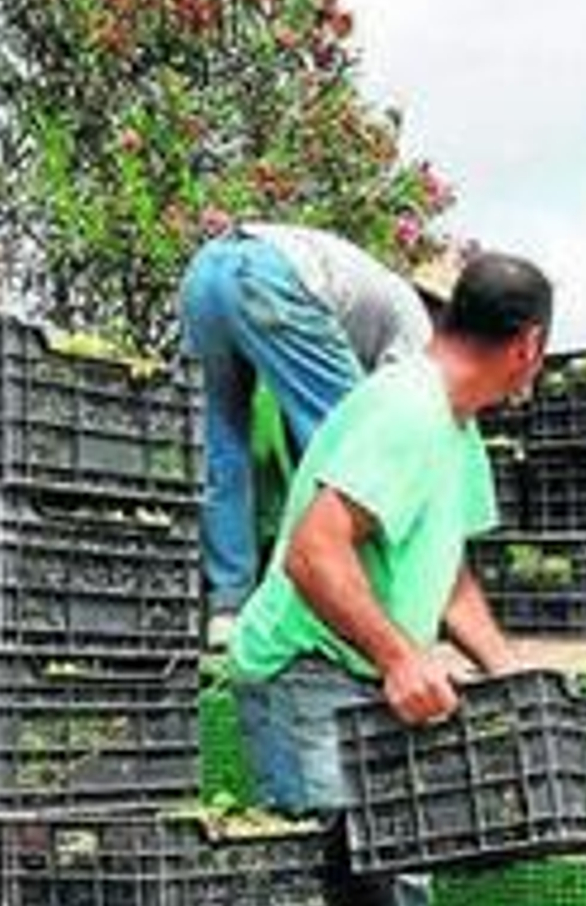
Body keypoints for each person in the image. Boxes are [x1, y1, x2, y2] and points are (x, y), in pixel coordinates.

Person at [229, 250, 553, 906]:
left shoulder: (458, 427)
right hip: (304, 675)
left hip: (358, 675)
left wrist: (508, 670)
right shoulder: (406, 408)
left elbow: (447, 570)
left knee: (395, 876)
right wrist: (401, 655)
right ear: (528, 346)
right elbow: (314, 552)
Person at [178, 222, 460, 647]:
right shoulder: (414, 319)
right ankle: (354, 603)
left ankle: (227, 608)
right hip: (270, 276)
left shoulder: (373, 290)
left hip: (203, 274)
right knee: (354, 454)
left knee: (222, 447)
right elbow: (398, 415)